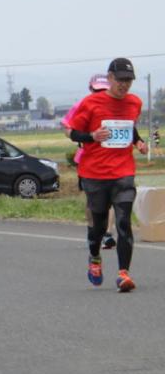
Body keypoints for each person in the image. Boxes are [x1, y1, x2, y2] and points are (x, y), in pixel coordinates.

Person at [68, 57, 147, 292]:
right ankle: (94, 257)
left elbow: (128, 127)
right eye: (121, 80)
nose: (125, 85)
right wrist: (92, 136)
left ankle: (124, 274)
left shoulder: (134, 102)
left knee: (123, 220)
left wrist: (139, 142)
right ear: (110, 78)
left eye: (129, 81)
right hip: (95, 173)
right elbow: (73, 133)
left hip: (123, 171)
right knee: (99, 225)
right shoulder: (91, 103)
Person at [63, 74, 116, 250]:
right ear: (90, 89)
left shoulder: (117, 103)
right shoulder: (82, 105)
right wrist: (86, 136)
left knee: (112, 199)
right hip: (87, 161)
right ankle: (93, 232)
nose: (99, 93)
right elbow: (67, 128)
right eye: (96, 90)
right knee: (92, 201)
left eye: (103, 89)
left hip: (113, 160)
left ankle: (107, 234)